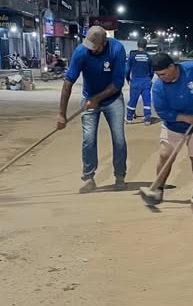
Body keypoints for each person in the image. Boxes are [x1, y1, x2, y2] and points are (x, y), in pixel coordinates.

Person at [57, 26, 128, 192]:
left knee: (119, 139)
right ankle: (88, 177)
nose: (91, 50)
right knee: (88, 139)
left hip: (113, 99)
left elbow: (118, 84)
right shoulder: (81, 52)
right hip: (88, 98)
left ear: (104, 43)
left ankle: (119, 175)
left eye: (94, 48)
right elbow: (68, 83)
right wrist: (61, 114)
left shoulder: (117, 49)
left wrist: (96, 99)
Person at [148, 52, 193, 202]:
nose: (161, 77)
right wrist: (184, 118)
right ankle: (159, 188)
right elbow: (162, 112)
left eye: (163, 73)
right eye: (158, 75)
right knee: (165, 155)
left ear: (172, 66)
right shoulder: (158, 88)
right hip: (173, 126)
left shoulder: (192, 68)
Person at [126, 39, 155, 124]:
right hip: (146, 81)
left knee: (133, 100)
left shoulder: (132, 56)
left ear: (137, 45)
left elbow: (127, 69)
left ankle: (129, 118)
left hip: (135, 81)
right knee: (147, 101)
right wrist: (149, 78)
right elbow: (152, 71)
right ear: (145, 46)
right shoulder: (149, 57)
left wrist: (127, 78)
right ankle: (147, 119)